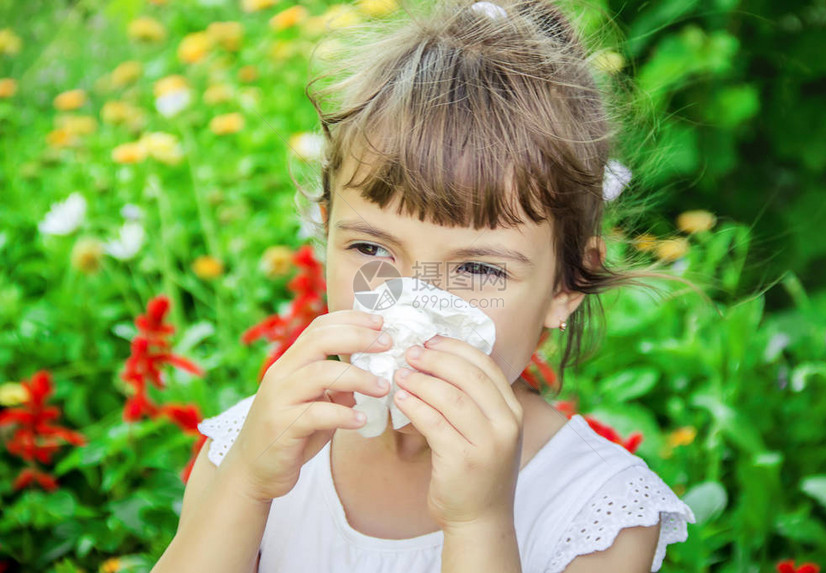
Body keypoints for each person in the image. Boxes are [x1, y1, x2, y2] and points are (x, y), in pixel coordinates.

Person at [151, 1, 695, 571]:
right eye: (371, 248)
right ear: (324, 228)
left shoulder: (597, 513)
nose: (411, 302)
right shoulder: (257, 446)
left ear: (565, 284)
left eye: (479, 269)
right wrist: (246, 484)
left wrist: (478, 524)